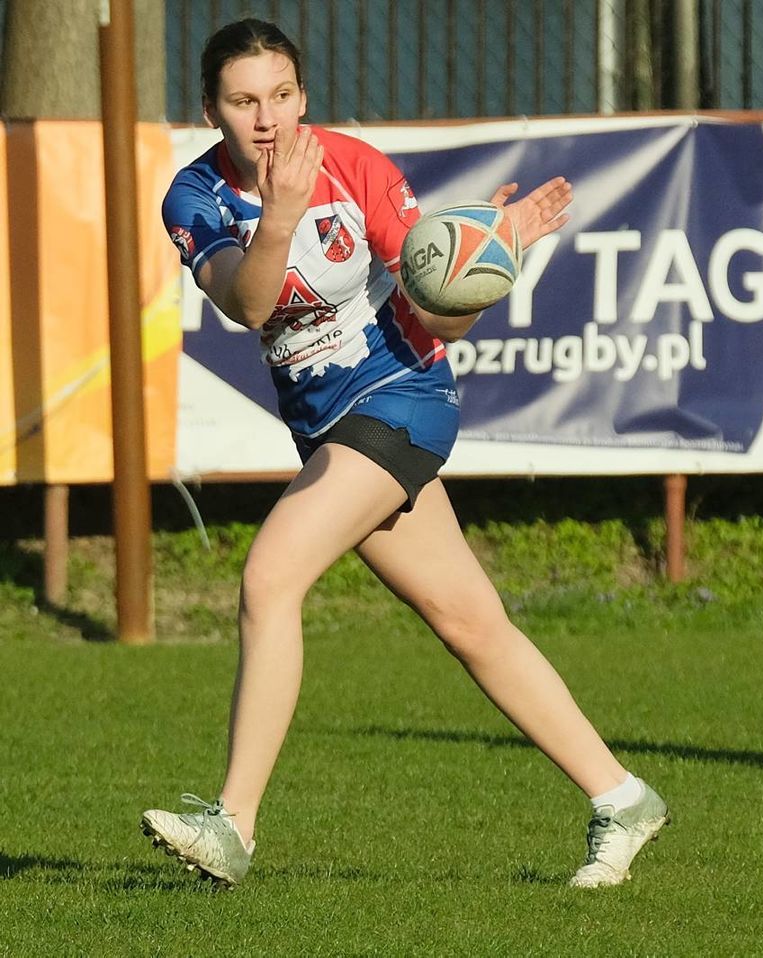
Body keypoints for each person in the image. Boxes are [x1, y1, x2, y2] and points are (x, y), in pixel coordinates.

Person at [142, 18, 668, 887]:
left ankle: (233, 825)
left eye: (280, 95)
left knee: (269, 577)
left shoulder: (354, 168)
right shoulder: (195, 197)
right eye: (243, 101)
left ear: (303, 96)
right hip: (329, 426)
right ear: (211, 110)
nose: (266, 118)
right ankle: (622, 798)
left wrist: (480, 263)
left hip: (404, 400)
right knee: (472, 626)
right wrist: (276, 217)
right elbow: (249, 301)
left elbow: (442, 321)